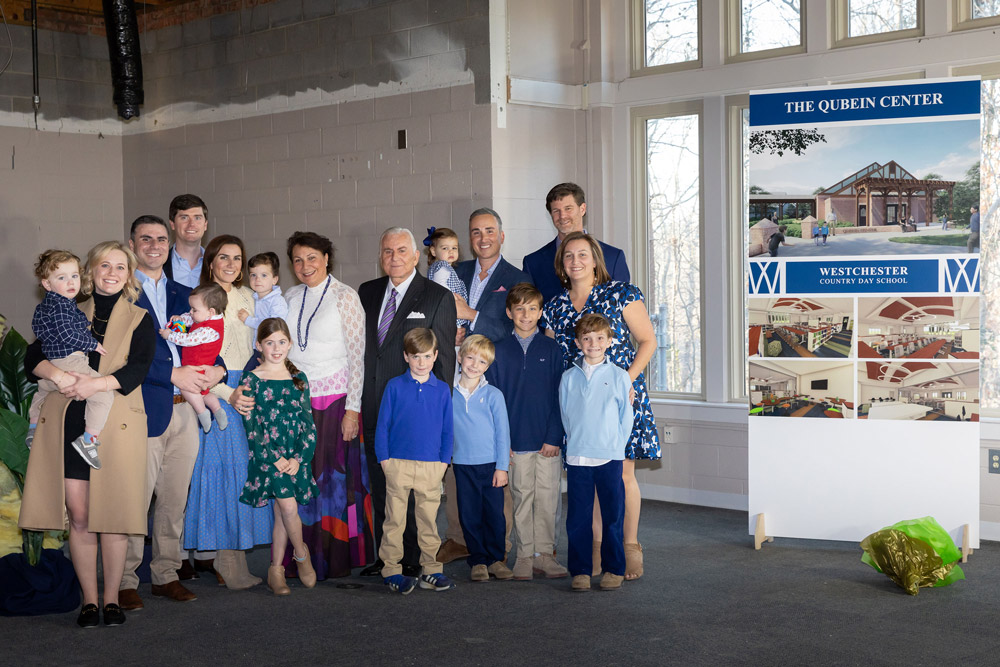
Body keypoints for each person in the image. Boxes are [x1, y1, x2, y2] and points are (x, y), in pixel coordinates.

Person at [19, 241, 155, 627]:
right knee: (79, 516)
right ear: (89, 273)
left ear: (129, 275)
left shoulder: (140, 317)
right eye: (103, 266)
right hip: (68, 420)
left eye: (120, 268)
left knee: (109, 516)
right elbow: (33, 358)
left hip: (114, 421)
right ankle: (89, 601)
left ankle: (112, 600)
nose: (111, 273)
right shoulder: (66, 307)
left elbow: (139, 368)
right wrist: (58, 375)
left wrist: (96, 386)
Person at [118, 215, 227, 611]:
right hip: (143, 408)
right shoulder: (122, 295)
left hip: (186, 412)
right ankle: (126, 579)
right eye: (145, 239)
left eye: (160, 239)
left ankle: (165, 573)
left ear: (170, 244)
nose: (154, 245)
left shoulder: (187, 293)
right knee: (136, 497)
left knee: (174, 498)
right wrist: (172, 373)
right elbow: (121, 358)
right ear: (132, 244)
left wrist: (221, 370)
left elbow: (212, 339)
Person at [543, 231, 660, 581]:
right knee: (588, 477)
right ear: (561, 265)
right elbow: (554, 359)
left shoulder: (621, 293)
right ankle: (596, 549)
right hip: (580, 402)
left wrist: (626, 382)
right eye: (568, 256)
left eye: (583, 255)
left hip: (620, 397)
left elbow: (648, 340)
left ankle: (629, 546)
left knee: (621, 474)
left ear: (595, 260)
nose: (575, 261)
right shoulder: (554, 306)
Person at [269, 231, 373, 580]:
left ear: (327, 258)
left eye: (312, 258)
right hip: (297, 403)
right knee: (299, 478)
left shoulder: (346, 297)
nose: (304, 265)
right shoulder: (289, 296)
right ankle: (299, 555)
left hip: (335, 403)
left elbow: (357, 357)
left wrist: (353, 409)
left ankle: (332, 556)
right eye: (297, 259)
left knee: (330, 481)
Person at [358, 228, 457, 577]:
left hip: (417, 414)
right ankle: (388, 558)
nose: (394, 257)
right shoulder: (367, 293)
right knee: (383, 483)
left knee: (418, 495)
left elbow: (444, 361)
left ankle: (415, 558)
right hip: (375, 406)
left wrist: (437, 416)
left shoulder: (437, 297)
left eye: (402, 251)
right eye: (387, 251)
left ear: (416, 256)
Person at [184, 234, 272, 590]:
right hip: (219, 391)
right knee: (224, 474)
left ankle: (225, 554)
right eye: (224, 257)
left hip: (248, 386)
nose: (232, 264)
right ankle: (226, 559)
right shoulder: (199, 300)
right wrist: (225, 392)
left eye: (238, 258)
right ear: (211, 262)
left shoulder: (249, 296)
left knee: (243, 471)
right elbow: (196, 359)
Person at [441, 208, 529, 565]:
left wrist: (471, 315)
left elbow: (515, 328)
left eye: (489, 231)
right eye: (475, 232)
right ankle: (458, 537)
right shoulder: (454, 271)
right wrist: (453, 329)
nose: (482, 238)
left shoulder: (517, 277)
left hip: (492, 376)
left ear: (502, 235)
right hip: (455, 374)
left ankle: (497, 545)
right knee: (456, 467)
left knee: (492, 463)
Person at [485, 283, 567, 581]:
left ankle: (544, 555)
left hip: (546, 441)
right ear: (509, 312)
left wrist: (554, 437)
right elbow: (492, 403)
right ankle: (523, 556)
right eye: (519, 308)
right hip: (514, 441)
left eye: (533, 308)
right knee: (521, 498)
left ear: (541, 312)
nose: (526, 314)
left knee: (547, 497)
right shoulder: (498, 351)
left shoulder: (552, 349)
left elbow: (561, 398)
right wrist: (501, 443)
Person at [238, 318, 319, 596]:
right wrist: (274, 459)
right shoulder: (251, 379)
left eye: (281, 342)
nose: (276, 348)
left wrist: (299, 458)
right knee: (288, 508)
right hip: (267, 458)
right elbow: (251, 426)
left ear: (290, 344)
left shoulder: (299, 378)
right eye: (269, 342)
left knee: (282, 512)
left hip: (294, 456)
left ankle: (276, 570)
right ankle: (301, 555)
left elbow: (308, 423)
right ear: (258, 345)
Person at [374, 328, 456, 594]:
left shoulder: (442, 390)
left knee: (428, 521)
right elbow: (383, 425)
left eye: (427, 357)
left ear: (435, 356)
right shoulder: (394, 387)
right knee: (394, 520)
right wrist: (385, 460)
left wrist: (444, 462)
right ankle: (391, 570)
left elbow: (447, 430)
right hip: (397, 464)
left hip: (432, 467)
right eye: (416, 357)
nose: (422, 363)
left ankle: (431, 570)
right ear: (406, 356)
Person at [560, 314, 634, 591]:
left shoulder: (619, 376)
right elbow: (565, 415)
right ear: (579, 343)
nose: (594, 343)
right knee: (578, 516)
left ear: (609, 341)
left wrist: (615, 445)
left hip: (610, 456)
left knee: (612, 515)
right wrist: (576, 441)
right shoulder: (568, 377)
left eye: (600, 338)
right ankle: (580, 570)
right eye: (587, 338)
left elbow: (626, 417)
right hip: (578, 456)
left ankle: (614, 568)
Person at [26, 249, 112, 469]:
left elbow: (38, 328)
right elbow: (66, 334)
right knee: (103, 395)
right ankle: (88, 440)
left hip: (53, 360)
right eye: (62, 277)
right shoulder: (63, 306)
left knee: (42, 391)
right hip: (71, 361)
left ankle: (34, 428)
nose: (70, 282)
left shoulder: (47, 306)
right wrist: (92, 343)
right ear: (47, 284)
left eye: (74, 275)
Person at [452, 335, 512, 583]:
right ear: (460, 357)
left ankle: (496, 559)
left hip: (490, 466)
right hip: (462, 465)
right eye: (470, 358)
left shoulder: (494, 395)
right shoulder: (448, 392)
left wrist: (502, 468)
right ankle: (478, 560)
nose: (474, 365)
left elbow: (503, 433)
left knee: (494, 515)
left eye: (482, 362)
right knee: (469, 514)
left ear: (487, 366)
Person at [522, 183, 629, 303]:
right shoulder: (533, 263)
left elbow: (624, 308)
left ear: (582, 209)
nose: (562, 216)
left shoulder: (613, 257)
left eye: (568, 208)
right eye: (556, 211)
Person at [159, 283, 229, 433]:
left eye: (194, 309)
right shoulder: (206, 318)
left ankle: (202, 413)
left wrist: (169, 335)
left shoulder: (208, 330)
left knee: (187, 389)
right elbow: (192, 320)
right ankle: (218, 410)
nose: (190, 312)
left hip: (196, 367)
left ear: (210, 311)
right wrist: (181, 319)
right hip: (202, 368)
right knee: (205, 394)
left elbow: (188, 339)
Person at [237, 252, 289, 347]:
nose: (257, 279)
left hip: (271, 349)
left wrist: (248, 320)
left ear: (274, 279)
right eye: (253, 275)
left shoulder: (277, 301)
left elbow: (273, 326)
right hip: (257, 348)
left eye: (264, 275)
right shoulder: (252, 298)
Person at [425, 226, 470, 329]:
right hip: (448, 311)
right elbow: (440, 287)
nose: (451, 251)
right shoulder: (442, 267)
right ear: (433, 251)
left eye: (454, 248)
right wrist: (454, 299)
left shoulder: (441, 267)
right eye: (445, 248)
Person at [163, 194, 209, 288]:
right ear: (172, 224)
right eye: (184, 217)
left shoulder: (216, 264)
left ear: (205, 225)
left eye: (197, 218)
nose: (191, 224)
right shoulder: (159, 265)